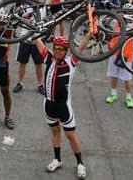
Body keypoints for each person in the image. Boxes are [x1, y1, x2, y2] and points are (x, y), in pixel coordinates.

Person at [33, 35, 90, 179]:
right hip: (48, 105)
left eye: (61, 49)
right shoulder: (49, 59)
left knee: (70, 135)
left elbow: (81, 47)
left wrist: (89, 34)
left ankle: (80, 163)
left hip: (64, 107)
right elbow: (37, 40)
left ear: (66, 51)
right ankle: (57, 160)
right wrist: (32, 30)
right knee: (55, 132)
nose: (58, 51)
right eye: (56, 49)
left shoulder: (71, 62)